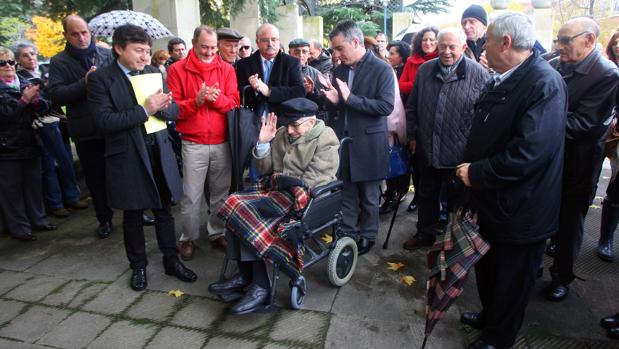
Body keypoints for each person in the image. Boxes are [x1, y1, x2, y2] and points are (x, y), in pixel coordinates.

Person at [455, 12, 568, 349]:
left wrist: (476, 173)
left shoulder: (543, 83)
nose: (482, 47)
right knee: (489, 271)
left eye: (486, 40)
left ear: (505, 42)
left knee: (511, 281)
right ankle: (490, 317)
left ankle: (499, 338)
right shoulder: (508, 75)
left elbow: (529, 153)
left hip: (522, 208)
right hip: (495, 203)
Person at [87, 24, 197, 291]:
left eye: (148, 51)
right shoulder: (101, 79)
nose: (145, 57)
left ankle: (171, 260)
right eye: (139, 51)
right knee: (133, 214)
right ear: (118, 49)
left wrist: (162, 109)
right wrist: (145, 109)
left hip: (158, 151)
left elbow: (171, 114)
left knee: (164, 211)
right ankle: (138, 267)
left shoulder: (152, 73)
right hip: (127, 155)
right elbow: (104, 121)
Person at [208, 98, 339, 314]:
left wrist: (283, 181)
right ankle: (245, 274)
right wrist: (262, 144)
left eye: (294, 126)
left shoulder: (326, 139)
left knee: (247, 212)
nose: (289, 130)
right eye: (287, 124)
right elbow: (265, 168)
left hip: (302, 198)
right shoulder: (282, 133)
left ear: (311, 122)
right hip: (276, 190)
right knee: (233, 202)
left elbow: (316, 180)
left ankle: (260, 286)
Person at [545, 17, 619, 302]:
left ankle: (562, 276)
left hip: (579, 162)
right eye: (558, 41)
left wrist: (538, 122)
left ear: (589, 40)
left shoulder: (607, 74)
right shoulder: (554, 63)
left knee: (570, 223)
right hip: (549, 159)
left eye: (566, 41)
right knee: (542, 213)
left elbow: (582, 124)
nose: (560, 46)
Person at [403, 28, 489, 251]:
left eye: (452, 47)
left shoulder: (479, 74)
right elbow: (412, 107)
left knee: (457, 200)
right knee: (426, 193)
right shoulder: (424, 71)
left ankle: (453, 241)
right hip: (428, 148)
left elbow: (484, 116)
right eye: (443, 46)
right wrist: (412, 136)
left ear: (463, 47)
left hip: (459, 152)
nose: (447, 52)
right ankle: (425, 233)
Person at [321, 20, 395, 255]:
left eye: (339, 48)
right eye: (333, 49)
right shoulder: (340, 68)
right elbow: (339, 104)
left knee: (370, 196)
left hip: (369, 143)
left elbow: (385, 106)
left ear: (355, 42)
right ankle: (348, 232)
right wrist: (332, 100)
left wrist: (350, 99)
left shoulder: (382, 68)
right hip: (344, 142)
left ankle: (369, 235)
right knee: (346, 192)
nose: (336, 54)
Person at [166, 25, 239, 260]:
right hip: (193, 142)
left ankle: (216, 232)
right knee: (191, 196)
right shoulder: (177, 70)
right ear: (194, 43)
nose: (209, 52)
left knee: (220, 193)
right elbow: (173, 109)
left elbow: (234, 103)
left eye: (212, 47)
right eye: (204, 47)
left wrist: (215, 101)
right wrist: (196, 102)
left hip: (222, 141)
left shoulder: (226, 69)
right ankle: (188, 237)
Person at [48, 15, 117, 239]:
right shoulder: (59, 62)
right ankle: (104, 219)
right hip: (86, 131)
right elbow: (56, 96)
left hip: (113, 126)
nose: (81, 38)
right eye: (75, 34)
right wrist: (85, 82)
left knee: (122, 173)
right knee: (96, 178)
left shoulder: (106, 54)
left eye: (84, 32)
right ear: (66, 36)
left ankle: (133, 211)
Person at [15, 42, 88, 218]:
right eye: (25, 55)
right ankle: (56, 204)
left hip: (60, 123)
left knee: (67, 162)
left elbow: (60, 94)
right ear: (18, 59)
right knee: (48, 166)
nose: (31, 57)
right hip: (41, 127)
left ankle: (72, 196)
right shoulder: (21, 79)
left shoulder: (48, 70)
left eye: (32, 53)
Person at [0, 46, 56, 241]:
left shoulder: (25, 82)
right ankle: (20, 228)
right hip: (6, 148)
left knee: (34, 185)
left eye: (10, 62)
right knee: (11, 190)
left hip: (31, 142)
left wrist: (36, 102)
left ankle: (39, 220)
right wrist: (24, 100)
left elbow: (46, 106)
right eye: (2, 63)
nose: (8, 66)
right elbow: (4, 116)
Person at [398, 26, 439, 213]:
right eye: (425, 40)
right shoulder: (411, 61)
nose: (428, 43)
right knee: (415, 159)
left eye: (432, 39)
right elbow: (402, 85)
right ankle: (417, 197)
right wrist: (422, 83)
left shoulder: (442, 60)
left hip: (435, 116)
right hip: (414, 113)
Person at [236, 23, 304, 119]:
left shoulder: (291, 62)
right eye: (265, 40)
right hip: (251, 120)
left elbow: (299, 92)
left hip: (282, 121)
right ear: (257, 42)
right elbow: (239, 94)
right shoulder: (244, 64)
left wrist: (269, 91)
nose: (270, 44)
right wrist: (254, 90)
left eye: (274, 39)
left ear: (279, 41)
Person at [380, 40, 411, 216]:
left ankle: (394, 196)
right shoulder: (388, 70)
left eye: (393, 53)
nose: (389, 56)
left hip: (395, 125)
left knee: (394, 166)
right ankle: (391, 195)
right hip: (392, 125)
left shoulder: (391, 72)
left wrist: (401, 133)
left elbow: (396, 107)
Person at [597, 30, 619, 262]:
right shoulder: (608, 71)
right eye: (616, 41)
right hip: (611, 137)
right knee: (615, 186)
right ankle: (606, 239)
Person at [288, 38, 323, 105]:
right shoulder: (282, 71)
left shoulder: (316, 74)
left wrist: (312, 92)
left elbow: (321, 102)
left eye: (304, 51)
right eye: (297, 52)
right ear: (289, 53)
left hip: (309, 113)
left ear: (308, 54)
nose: (301, 55)